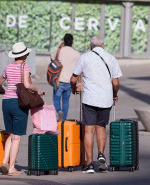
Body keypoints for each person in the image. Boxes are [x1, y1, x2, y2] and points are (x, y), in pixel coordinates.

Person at [70, 35, 122, 174]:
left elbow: (73, 78)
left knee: (89, 130)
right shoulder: (111, 58)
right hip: (105, 100)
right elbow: (116, 83)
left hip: (89, 99)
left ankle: (89, 164)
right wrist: (114, 94)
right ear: (103, 45)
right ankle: (101, 154)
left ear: (90, 46)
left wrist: (73, 89)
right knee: (101, 128)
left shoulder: (85, 57)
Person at [0, 42, 43, 176]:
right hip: (19, 103)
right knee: (17, 137)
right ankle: (11, 168)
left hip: (6, 102)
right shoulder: (25, 66)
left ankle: (5, 162)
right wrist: (38, 90)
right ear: (24, 54)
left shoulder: (8, 67)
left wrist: (1, 90)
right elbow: (27, 85)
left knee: (10, 134)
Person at [51, 33, 80, 121]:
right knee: (66, 101)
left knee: (56, 99)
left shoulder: (58, 51)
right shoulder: (77, 54)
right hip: (69, 81)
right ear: (72, 42)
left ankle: (59, 111)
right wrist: (79, 83)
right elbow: (78, 71)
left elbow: (52, 58)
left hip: (58, 80)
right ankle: (64, 120)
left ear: (64, 41)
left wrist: (59, 47)